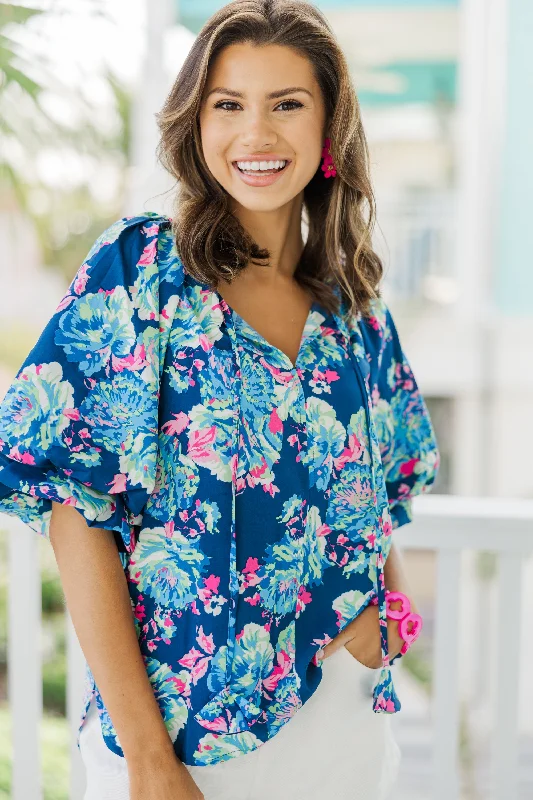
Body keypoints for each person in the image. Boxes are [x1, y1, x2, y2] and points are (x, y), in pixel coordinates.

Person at [0, 1, 440, 798]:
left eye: (287, 105)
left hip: (345, 732)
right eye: (228, 104)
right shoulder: (142, 274)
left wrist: (394, 623)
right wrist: (148, 760)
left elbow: (386, 500)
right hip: (183, 741)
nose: (256, 135)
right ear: (195, 126)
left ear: (329, 127)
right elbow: (74, 511)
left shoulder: (354, 307)